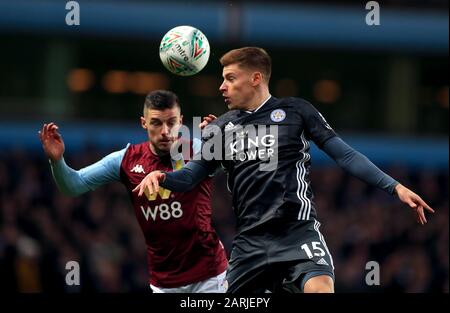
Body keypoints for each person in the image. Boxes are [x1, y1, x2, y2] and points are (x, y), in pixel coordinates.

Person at [134, 47, 435, 293]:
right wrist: (163, 176)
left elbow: (343, 154)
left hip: (297, 234)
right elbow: (192, 175)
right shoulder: (221, 128)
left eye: (229, 78)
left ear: (255, 78)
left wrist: (394, 186)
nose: (221, 86)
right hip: (249, 244)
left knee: (320, 290)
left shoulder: (296, 111)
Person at [38, 90, 228, 293]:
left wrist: (220, 143)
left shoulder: (197, 149)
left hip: (209, 275)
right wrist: (57, 161)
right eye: (156, 123)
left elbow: (237, 164)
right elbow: (73, 185)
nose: (165, 131)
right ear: (143, 123)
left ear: (181, 121)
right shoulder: (125, 160)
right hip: (164, 283)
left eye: (171, 122)